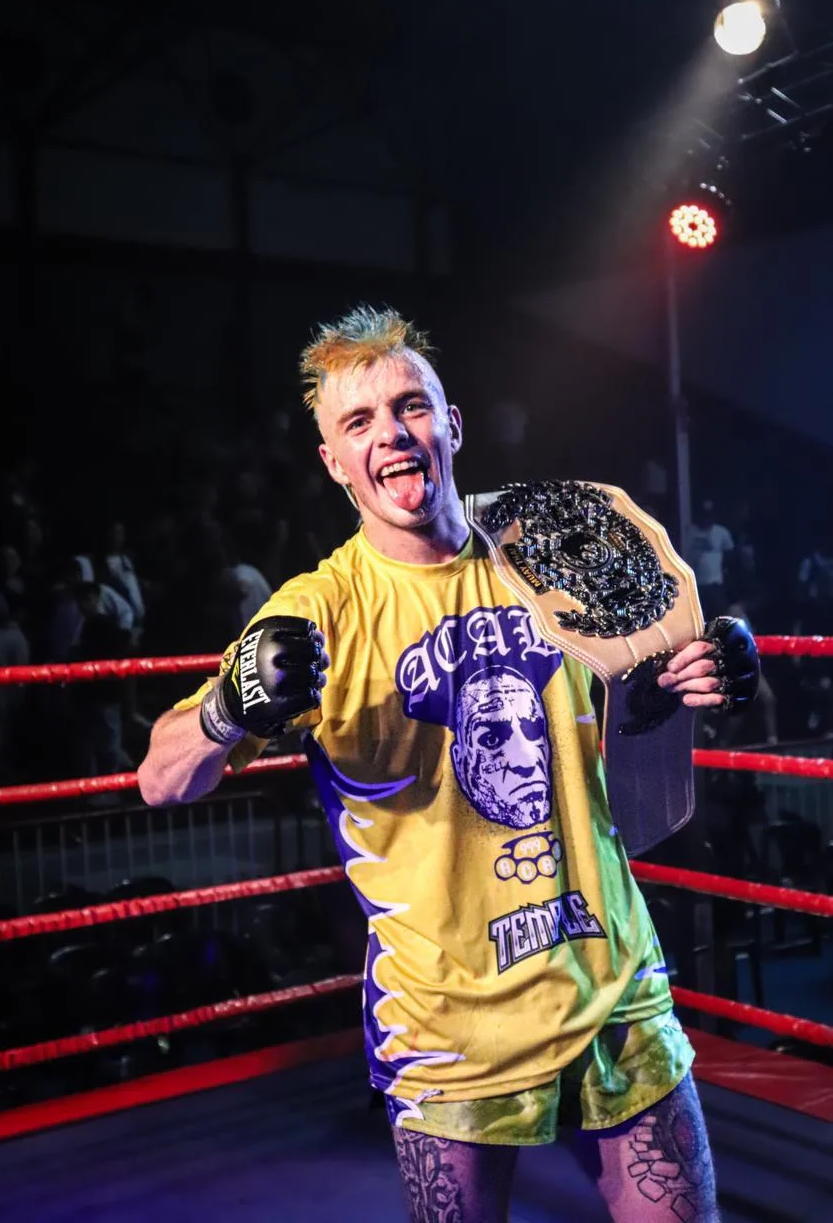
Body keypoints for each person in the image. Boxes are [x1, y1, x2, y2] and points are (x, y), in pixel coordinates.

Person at [138, 306, 745, 1223]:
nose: (390, 433)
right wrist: (229, 706)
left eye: (410, 407)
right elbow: (160, 778)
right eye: (359, 422)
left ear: (450, 426)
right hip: (450, 1029)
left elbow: (662, 679)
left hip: (616, 987)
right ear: (334, 463)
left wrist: (715, 664)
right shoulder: (321, 610)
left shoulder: (551, 543)